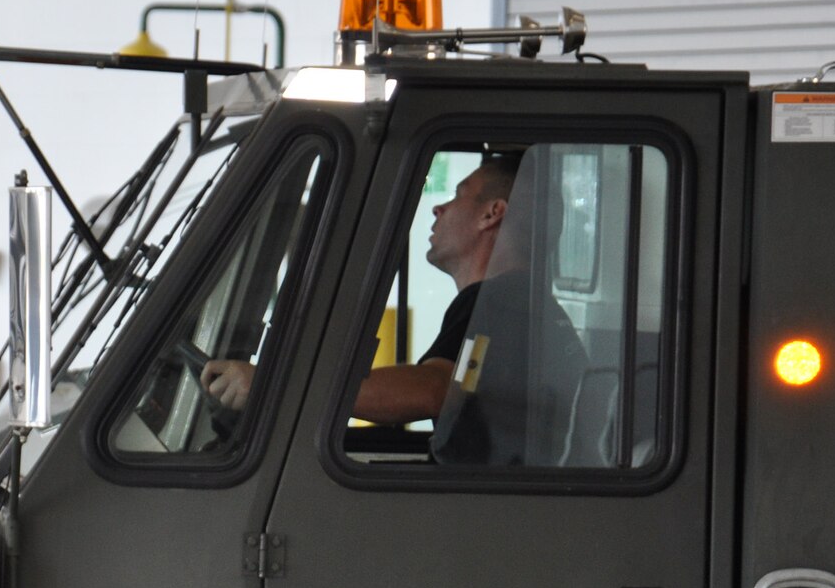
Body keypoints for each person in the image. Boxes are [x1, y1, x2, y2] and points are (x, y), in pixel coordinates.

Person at [197, 151, 583, 463]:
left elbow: (434, 390)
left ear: (491, 214)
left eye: (459, 194)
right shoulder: (518, 303)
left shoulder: (502, 303)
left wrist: (274, 386)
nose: (439, 209)